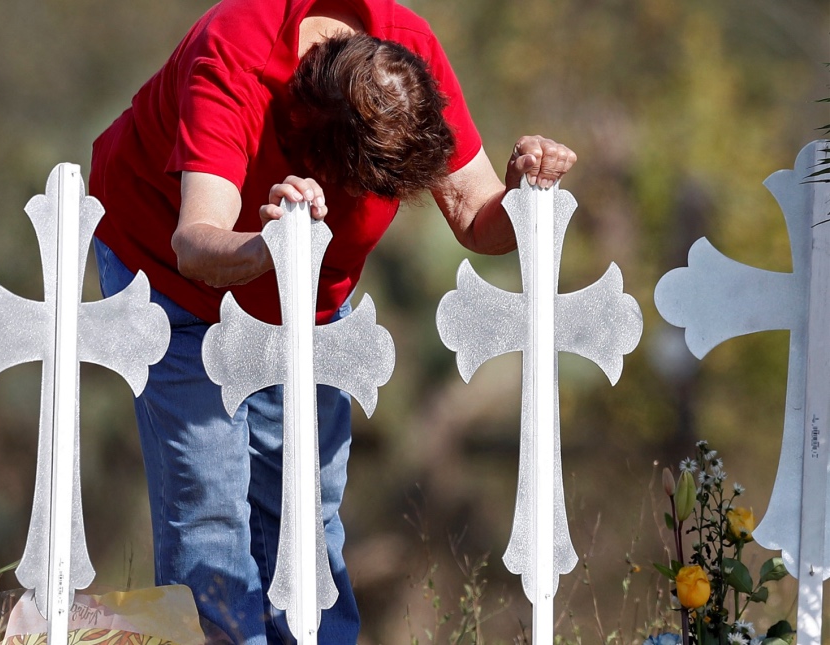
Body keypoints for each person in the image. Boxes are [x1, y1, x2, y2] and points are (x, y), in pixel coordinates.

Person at [89, 0, 575, 641]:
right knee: (209, 509)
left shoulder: (404, 57)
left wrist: (521, 190)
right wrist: (273, 249)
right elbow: (196, 240)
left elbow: (474, 215)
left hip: (306, 308)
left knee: (307, 509)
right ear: (317, 157)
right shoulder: (233, 56)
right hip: (170, 279)